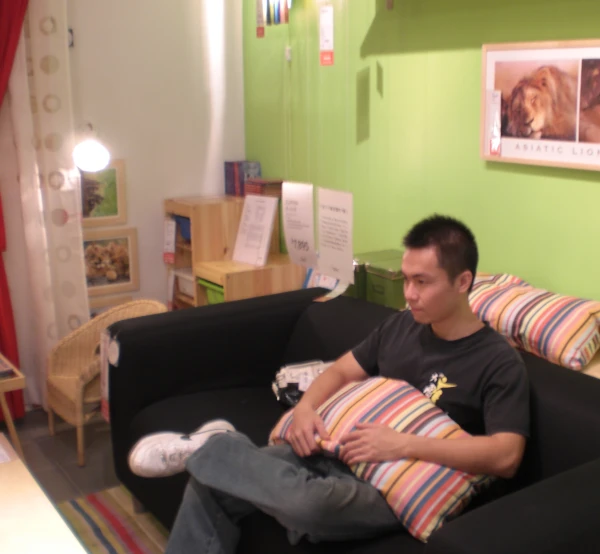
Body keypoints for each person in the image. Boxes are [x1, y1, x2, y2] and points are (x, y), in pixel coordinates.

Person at [128, 215, 530, 553]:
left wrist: (402, 444)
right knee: (211, 485)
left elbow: (506, 456)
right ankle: (217, 450)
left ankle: (219, 447)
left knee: (308, 505)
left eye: (423, 282)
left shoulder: (497, 361)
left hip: (394, 485)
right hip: (335, 450)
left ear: (462, 282)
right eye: (406, 279)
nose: (409, 294)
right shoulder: (402, 326)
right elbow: (339, 371)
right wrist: (304, 409)